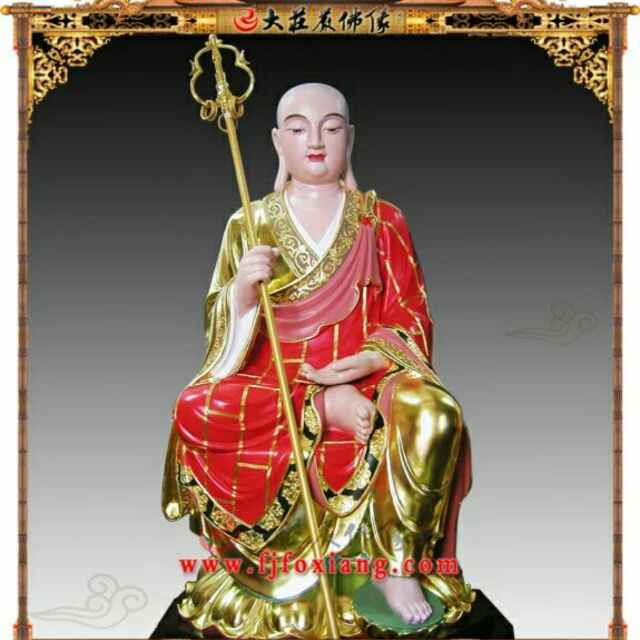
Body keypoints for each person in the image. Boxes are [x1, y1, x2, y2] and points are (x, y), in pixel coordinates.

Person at [161, 82, 474, 638]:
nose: (315, 141)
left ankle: (397, 565)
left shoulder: (382, 220)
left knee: (436, 412)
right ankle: (323, 407)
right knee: (193, 405)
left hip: (369, 375)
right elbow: (220, 343)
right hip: (274, 379)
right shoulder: (248, 223)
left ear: (349, 138)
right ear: (277, 142)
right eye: (299, 129)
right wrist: (241, 294)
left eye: (330, 128)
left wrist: (366, 361)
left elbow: (411, 316)